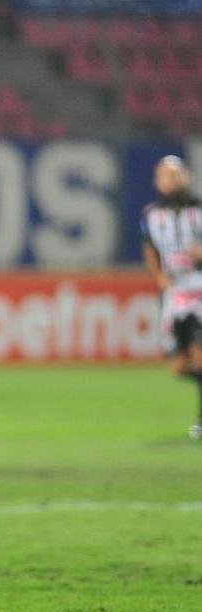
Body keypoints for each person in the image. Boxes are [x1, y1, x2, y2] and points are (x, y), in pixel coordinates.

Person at [141, 155, 202, 439]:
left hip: (200, 290)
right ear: (157, 182)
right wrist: (158, 276)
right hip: (175, 295)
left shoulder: (199, 209)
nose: (170, 180)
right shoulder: (151, 214)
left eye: (175, 175)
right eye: (165, 176)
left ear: (186, 177)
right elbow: (150, 248)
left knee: (200, 358)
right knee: (179, 367)